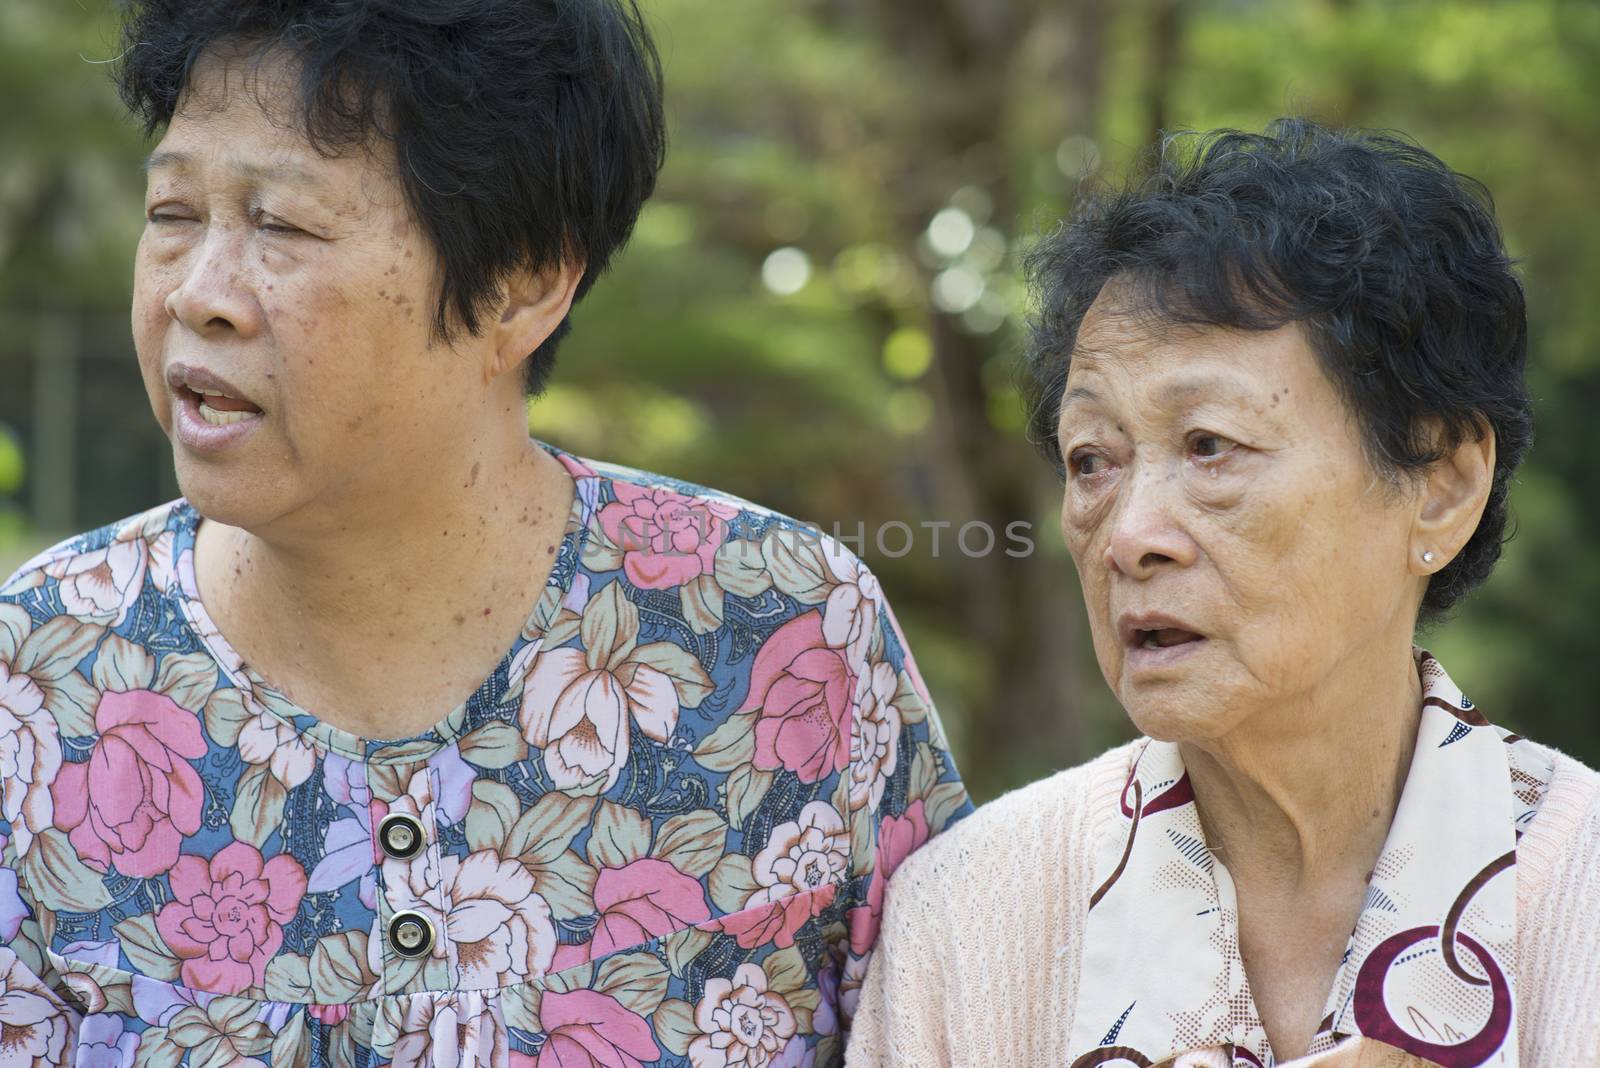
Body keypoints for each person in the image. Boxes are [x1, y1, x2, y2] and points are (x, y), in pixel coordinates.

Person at [0, 3, 970, 1064]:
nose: (198, 293)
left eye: (282, 225)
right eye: (173, 211)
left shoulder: (780, 638)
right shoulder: (42, 681)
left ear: (522, 283)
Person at [846, 119, 1600, 1067]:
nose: (1128, 536)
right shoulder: (968, 914)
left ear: (1441, 486)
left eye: (1210, 446)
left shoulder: (1583, 897)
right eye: (1092, 461)